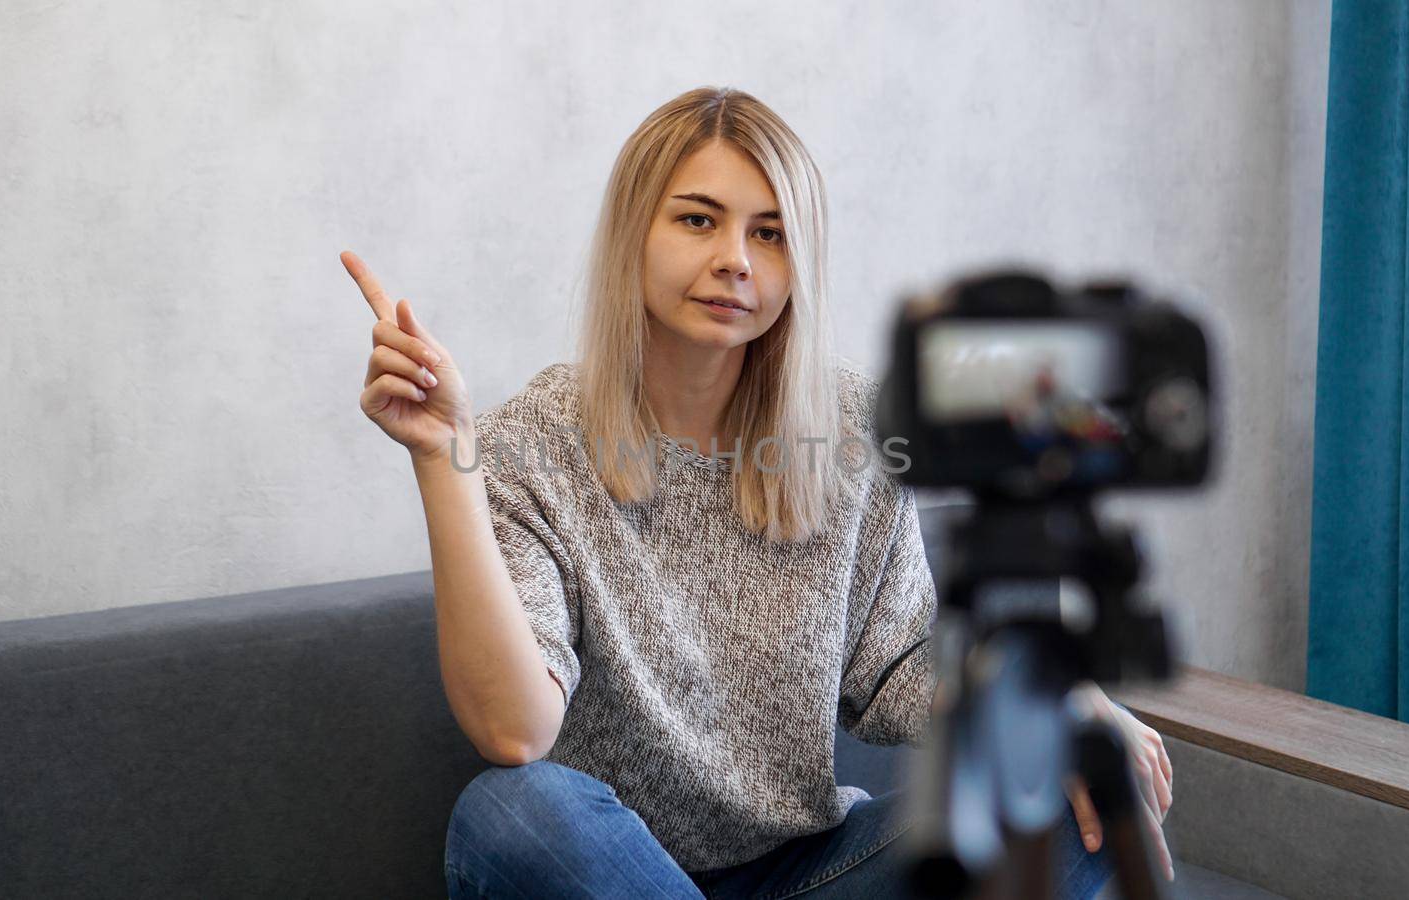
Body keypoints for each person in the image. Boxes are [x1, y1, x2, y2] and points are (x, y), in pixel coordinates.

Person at [343, 85, 1173, 899]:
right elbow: (514, 731)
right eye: (698, 219)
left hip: (814, 868)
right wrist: (443, 455)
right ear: (635, 232)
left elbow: (900, 669)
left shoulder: (852, 428)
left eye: (769, 234)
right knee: (514, 812)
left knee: (1090, 796)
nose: (735, 259)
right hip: (605, 871)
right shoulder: (534, 442)